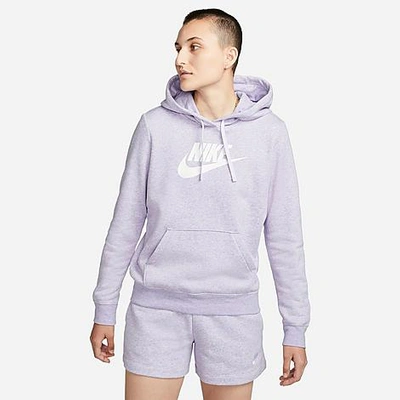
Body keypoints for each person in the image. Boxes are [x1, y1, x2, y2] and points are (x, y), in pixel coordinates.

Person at [90, 8, 311, 400]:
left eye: (194, 47)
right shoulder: (154, 126)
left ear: (229, 55)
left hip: (233, 313)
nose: (180, 59)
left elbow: (285, 237)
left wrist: (295, 328)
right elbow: (125, 224)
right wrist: (104, 308)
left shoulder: (270, 133)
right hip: (155, 310)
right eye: (178, 48)